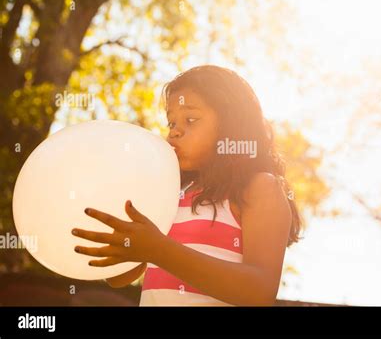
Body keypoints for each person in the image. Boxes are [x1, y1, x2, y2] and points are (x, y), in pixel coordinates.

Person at [72, 65, 303, 306]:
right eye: (171, 123)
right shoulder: (168, 194)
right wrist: (122, 236)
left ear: (232, 123)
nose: (174, 132)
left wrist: (159, 250)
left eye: (190, 120)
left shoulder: (259, 187)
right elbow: (119, 277)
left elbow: (260, 291)